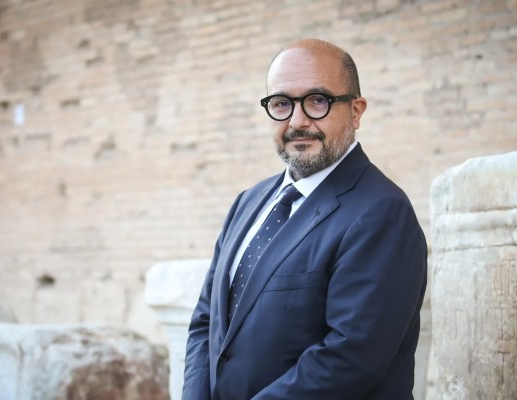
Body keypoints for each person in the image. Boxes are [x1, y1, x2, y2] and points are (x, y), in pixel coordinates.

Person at [182, 38, 428, 400]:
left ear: (356, 111)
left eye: (317, 101)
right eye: (282, 103)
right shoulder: (247, 203)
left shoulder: (383, 213)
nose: (297, 122)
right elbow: (206, 320)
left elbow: (350, 359)